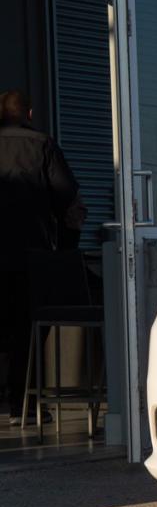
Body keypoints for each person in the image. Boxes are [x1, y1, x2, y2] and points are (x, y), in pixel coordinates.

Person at [0, 89, 83, 425]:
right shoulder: (42, 145)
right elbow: (68, 199)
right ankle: (24, 407)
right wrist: (66, 249)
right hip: (29, 254)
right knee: (25, 332)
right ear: (30, 114)